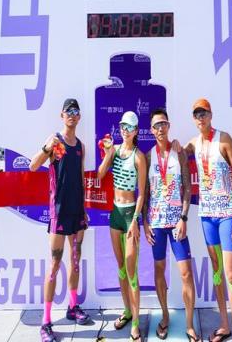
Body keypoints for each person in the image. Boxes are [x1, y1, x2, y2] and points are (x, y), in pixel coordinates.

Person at [183, 99, 232, 342]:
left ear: (211, 115)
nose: (200, 118)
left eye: (204, 114)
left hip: (227, 215)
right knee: (217, 271)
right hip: (207, 215)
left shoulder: (224, 139)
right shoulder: (194, 143)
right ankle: (224, 324)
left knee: (231, 274)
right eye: (196, 114)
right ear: (193, 119)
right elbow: (175, 154)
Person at [30, 98, 90, 342]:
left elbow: (81, 179)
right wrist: (46, 149)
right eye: (68, 111)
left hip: (77, 212)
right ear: (62, 115)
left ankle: (72, 306)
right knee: (55, 265)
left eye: (76, 111)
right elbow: (33, 166)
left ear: (79, 116)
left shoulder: (81, 146)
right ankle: (45, 322)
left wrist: (84, 208)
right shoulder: (55, 141)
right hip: (59, 212)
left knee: (75, 261)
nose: (72, 115)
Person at [142, 108, 200, 341]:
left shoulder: (179, 153)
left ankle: (189, 324)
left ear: (169, 126)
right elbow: (144, 193)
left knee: (186, 273)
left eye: (163, 124)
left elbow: (187, 188)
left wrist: (184, 217)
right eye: (156, 125)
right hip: (156, 223)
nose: (160, 129)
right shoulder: (147, 157)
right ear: (151, 130)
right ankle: (165, 316)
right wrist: (145, 223)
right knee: (159, 270)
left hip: (177, 224)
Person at [97, 111, 147, 342]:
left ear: (136, 131)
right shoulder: (115, 150)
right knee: (120, 268)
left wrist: (135, 220)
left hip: (129, 216)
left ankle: (135, 324)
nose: (125, 130)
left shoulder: (139, 157)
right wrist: (109, 153)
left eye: (129, 127)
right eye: (122, 126)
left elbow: (142, 193)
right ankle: (127, 311)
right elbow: (100, 174)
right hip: (115, 214)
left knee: (131, 271)